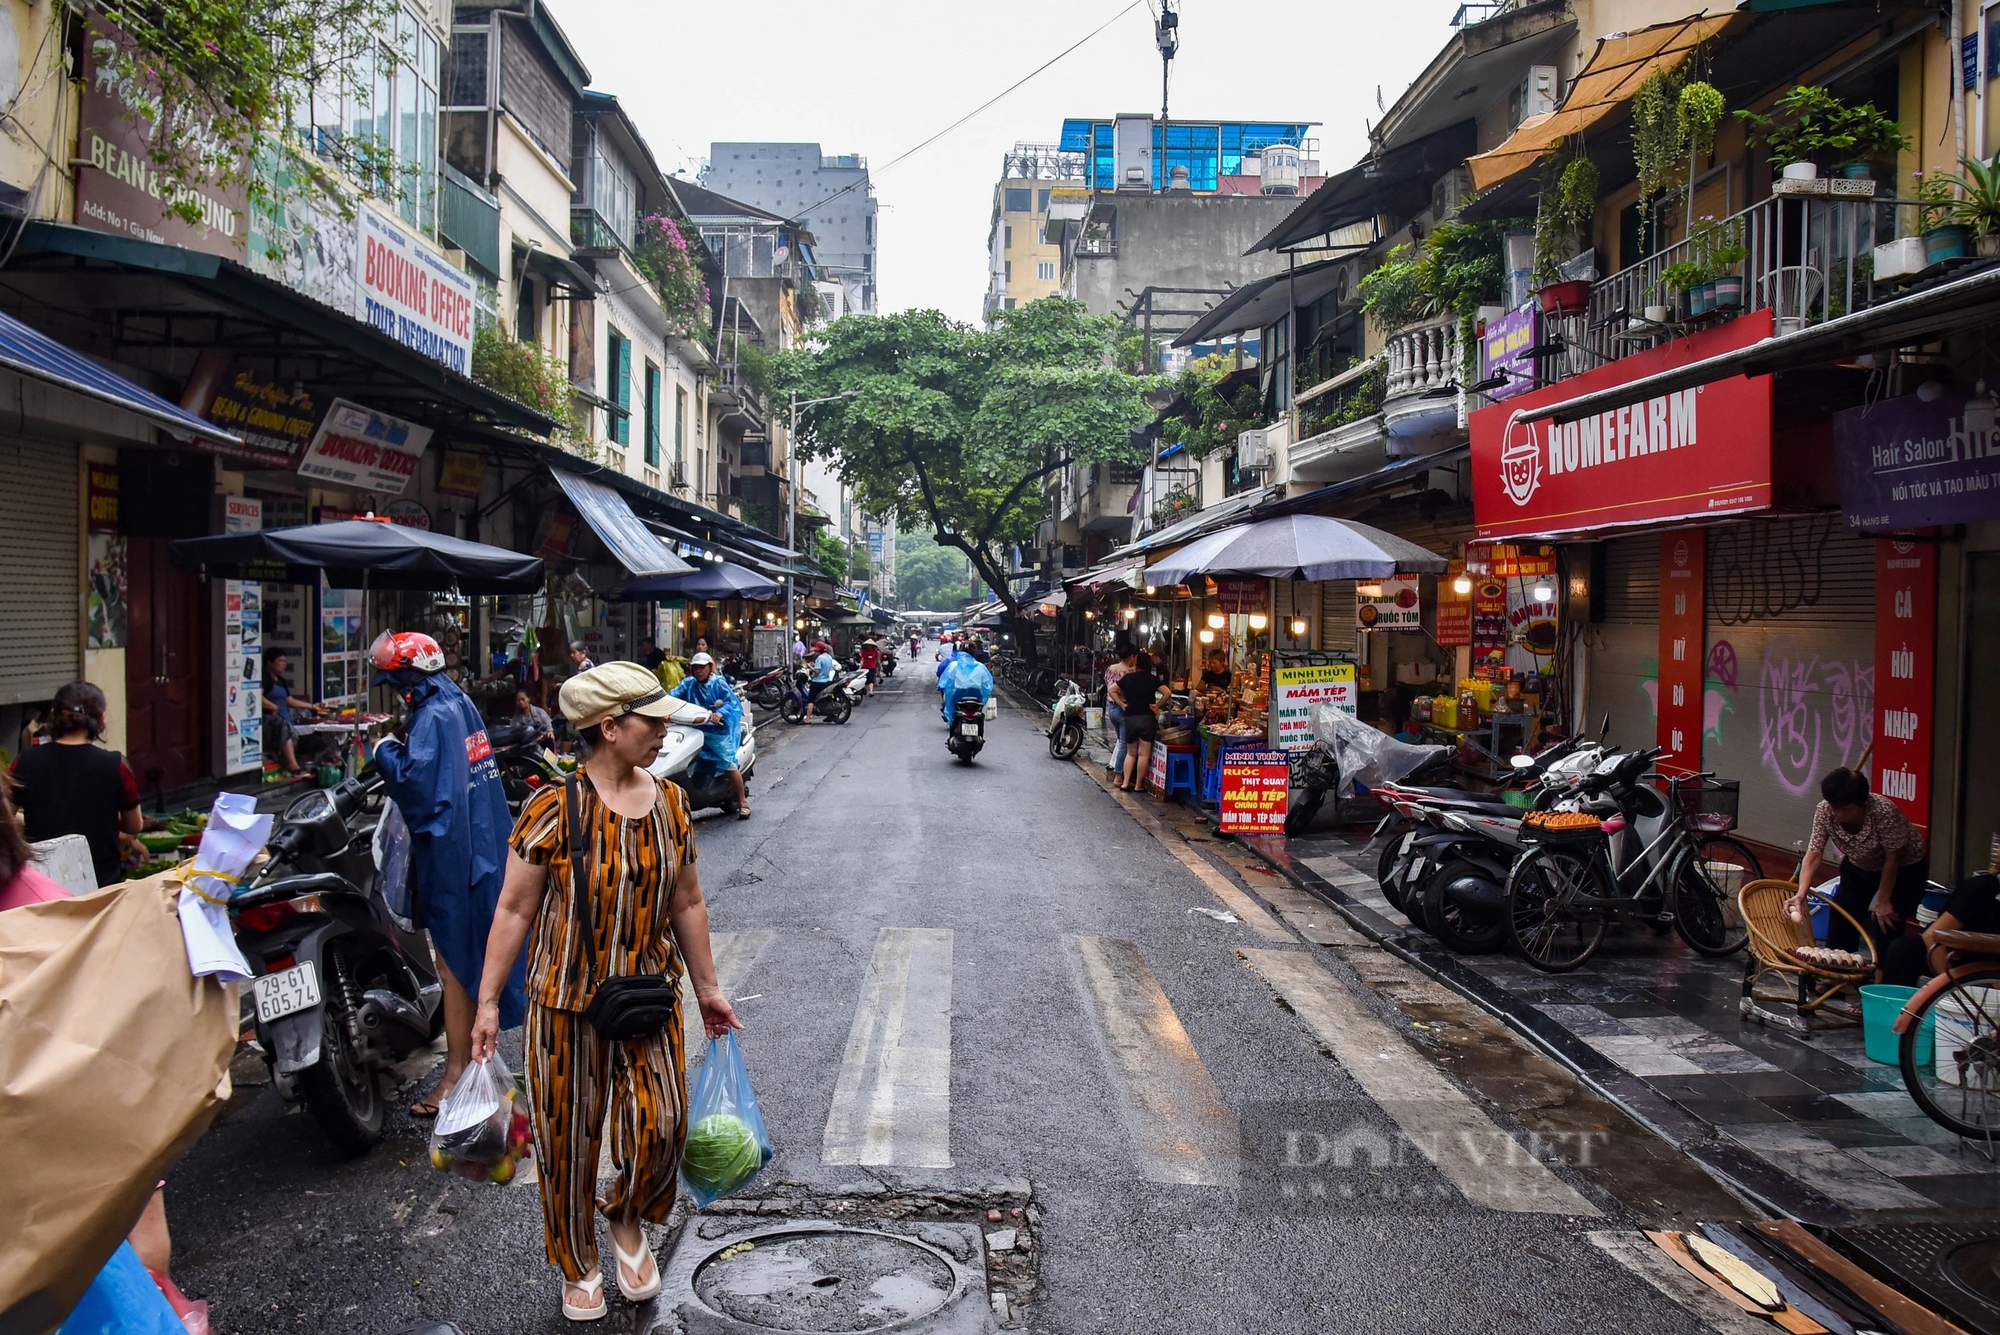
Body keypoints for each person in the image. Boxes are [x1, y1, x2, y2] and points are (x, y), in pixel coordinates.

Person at [469, 662, 740, 1321]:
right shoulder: (553, 808)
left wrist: (709, 988)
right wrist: (484, 1001)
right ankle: (578, 1261)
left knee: (664, 1122)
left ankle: (625, 1215)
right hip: (566, 1003)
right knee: (567, 1140)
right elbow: (512, 909)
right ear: (610, 727)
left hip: (648, 994)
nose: (664, 729)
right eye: (652, 720)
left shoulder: (672, 803)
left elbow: (689, 900)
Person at [369, 631, 526, 1119]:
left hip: (456, 855)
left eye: (395, 681)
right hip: (479, 846)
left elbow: (420, 785)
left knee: (455, 964)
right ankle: (465, 1065)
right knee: (465, 960)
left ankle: (458, 1072)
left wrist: (384, 752)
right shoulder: (457, 702)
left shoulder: (434, 715)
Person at [1786, 766, 1928, 960]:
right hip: (1860, 863)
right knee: (1842, 914)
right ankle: (1837, 972)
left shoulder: (1883, 811)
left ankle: (1882, 979)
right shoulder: (1825, 810)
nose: (1839, 814)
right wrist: (1801, 892)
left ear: (1863, 804)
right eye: (1834, 807)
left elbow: (1892, 860)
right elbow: (1814, 853)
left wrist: (1884, 901)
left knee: (1887, 920)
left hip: (1903, 867)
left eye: (1846, 809)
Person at [9, 682, 143, 886]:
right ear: (101, 719)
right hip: (101, 882)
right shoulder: (115, 765)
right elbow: (134, 824)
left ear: (53, 716)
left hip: (43, 884)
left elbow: (4, 816)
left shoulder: (25, 761)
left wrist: (28, 820)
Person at [669, 652, 750, 819]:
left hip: (717, 733)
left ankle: (743, 802)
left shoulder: (718, 683)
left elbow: (731, 702)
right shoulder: (688, 684)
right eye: (696, 668)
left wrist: (719, 713)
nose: (699, 671)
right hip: (693, 731)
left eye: (702, 668)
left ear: (709, 668)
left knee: (729, 766)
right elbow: (673, 696)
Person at [1111, 652, 1169, 793]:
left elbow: (1111, 690)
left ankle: (1125, 783)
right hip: (1147, 719)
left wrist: (1122, 705)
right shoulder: (1152, 679)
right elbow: (1167, 693)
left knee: (1131, 753)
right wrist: (1158, 705)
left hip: (1130, 717)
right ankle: (1138, 785)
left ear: (1136, 664)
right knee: (1143, 754)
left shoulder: (1128, 678)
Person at [262, 651, 324, 777]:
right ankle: (293, 766)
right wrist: (272, 707)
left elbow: (289, 700)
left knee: (318, 739)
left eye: (285, 661)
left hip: (286, 718)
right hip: (271, 722)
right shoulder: (265, 679)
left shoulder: (281, 681)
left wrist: (312, 706)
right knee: (284, 727)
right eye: (280, 661)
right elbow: (257, 696)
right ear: (269, 663)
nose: (284, 664)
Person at [1104, 643, 1138, 780]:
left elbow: (1108, 686)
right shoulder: (1129, 672)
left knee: (1120, 741)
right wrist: (1123, 705)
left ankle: (1119, 772)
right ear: (1132, 656)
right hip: (1121, 708)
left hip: (1110, 709)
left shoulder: (1110, 668)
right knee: (1124, 743)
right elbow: (1115, 690)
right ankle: (1118, 776)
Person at [807, 640, 840, 719]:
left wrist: (810, 667)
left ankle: (807, 718)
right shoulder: (829, 657)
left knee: (810, 700)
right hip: (826, 680)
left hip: (817, 682)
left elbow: (817, 671)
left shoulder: (819, 658)